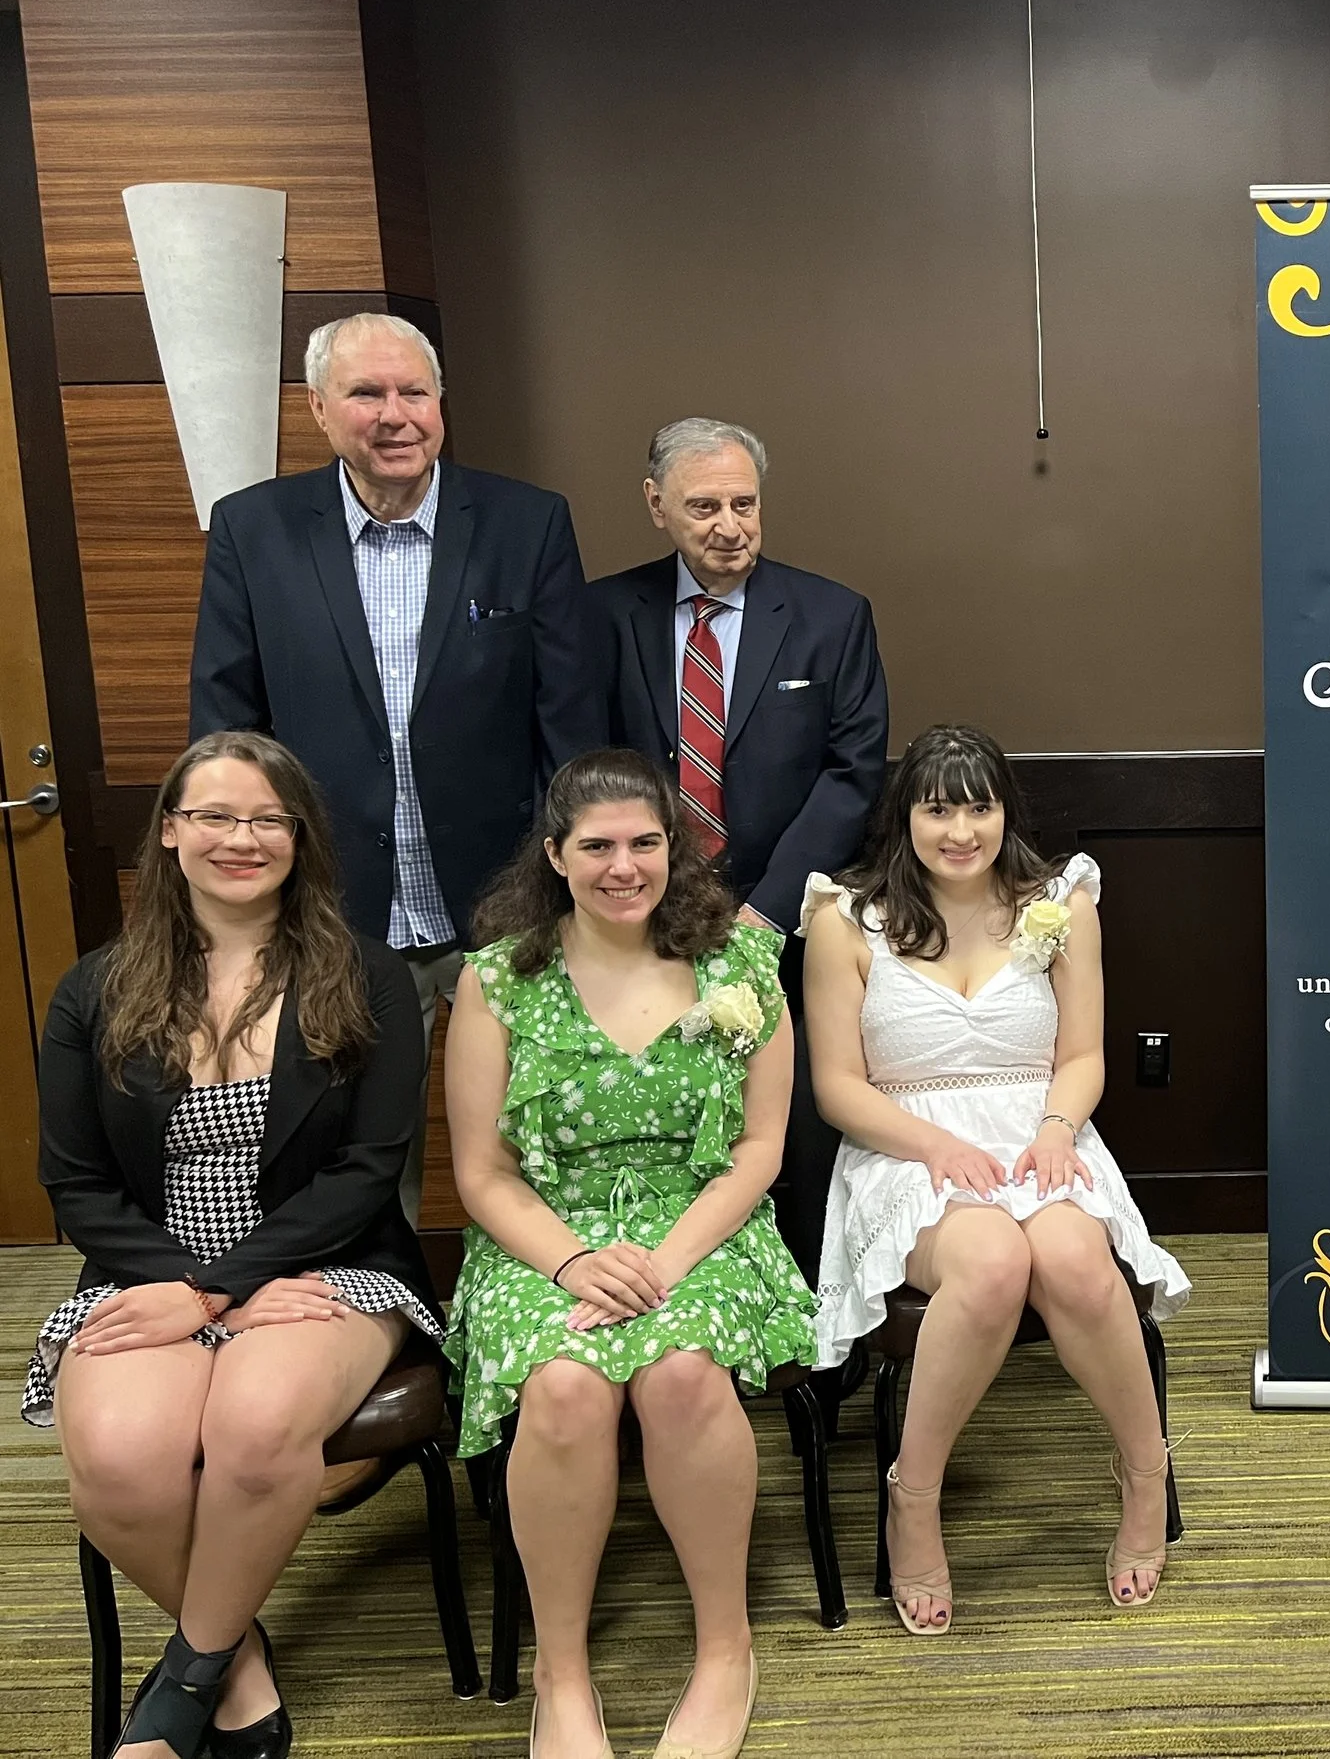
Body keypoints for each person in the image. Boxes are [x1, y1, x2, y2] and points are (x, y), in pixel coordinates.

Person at [28, 731, 440, 1759]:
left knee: (259, 1424)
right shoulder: (94, 989)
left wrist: (224, 1287)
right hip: (147, 1272)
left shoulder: (372, 978)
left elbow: (367, 1168)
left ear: (298, 838)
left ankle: (174, 1698)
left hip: (330, 1265)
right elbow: (74, 1183)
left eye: (266, 818)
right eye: (214, 815)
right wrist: (191, 1289)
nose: (241, 838)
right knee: (120, 1459)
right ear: (169, 832)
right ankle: (231, 1659)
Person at [191, 312, 606, 1226]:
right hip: (335, 911)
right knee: (357, 1154)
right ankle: (380, 1325)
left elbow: (568, 734)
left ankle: (543, 1332)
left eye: (413, 391)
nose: (394, 414)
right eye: (366, 393)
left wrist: (560, 893)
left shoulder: (526, 524)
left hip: (505, 908)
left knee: (544, 1138)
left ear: (440, 403)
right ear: (318, 407)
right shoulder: (252, 531)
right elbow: (226, 743)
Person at [443, 750, 814, 1759]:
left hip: (705, 1228)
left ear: (673, 848)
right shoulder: (495, 984)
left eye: (644, 842)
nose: (623, 866)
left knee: (684, 1374)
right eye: (596, 846)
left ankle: (724, 1649)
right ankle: (561, 1678)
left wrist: (667, 1259)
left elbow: (759, 1150)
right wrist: (570, 1262)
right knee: (563, 1389)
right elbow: (482, 1173)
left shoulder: (740, 967)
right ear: (554, 856)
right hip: (542, 1235)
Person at [801, 725, 1190, 1632]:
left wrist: (1059, 1130)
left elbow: (1085, 1054)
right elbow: (836, 1088)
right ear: (906, 816)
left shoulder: (1062, 902)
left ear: (1005, 811)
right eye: (939, 807)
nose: (961, 829)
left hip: (1041, 1133)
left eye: (979, 805)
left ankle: (1144, 1471)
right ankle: (914, 1494)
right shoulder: (843, 918)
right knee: (991, 1264)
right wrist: (935, 1148)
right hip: (905, 1145)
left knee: (1074, 1261)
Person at [586, 416, 888, 1278]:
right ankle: (676, 1288)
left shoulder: (832, 616)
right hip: (640, 915)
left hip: (786, 922)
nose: (730, 525)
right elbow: (584, 765)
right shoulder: (603, 614)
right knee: (664, 1113)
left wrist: (765, 912)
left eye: (745, 504)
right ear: (656, 506)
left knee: (796, 1130)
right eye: (705, 505)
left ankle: (814, 1314)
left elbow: (851, 773)